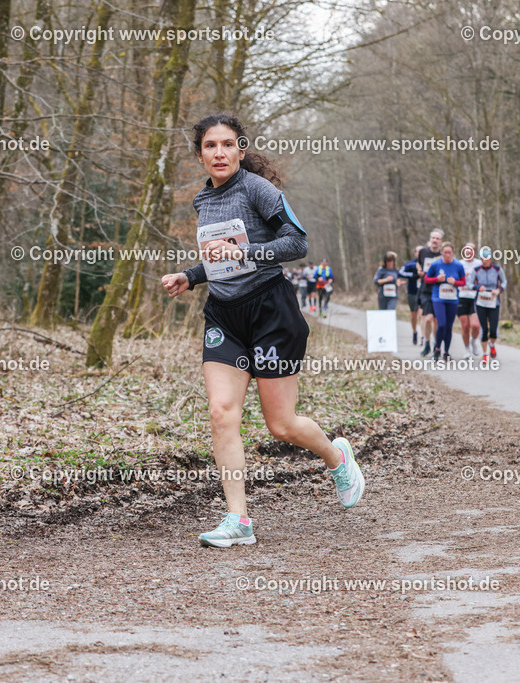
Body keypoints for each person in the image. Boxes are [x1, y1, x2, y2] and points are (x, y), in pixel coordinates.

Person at [161, 114, 364, 547]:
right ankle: (239, 520)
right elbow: (221, 258)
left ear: (240, 149)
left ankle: (336, 456)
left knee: (281, 425)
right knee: (221, 413)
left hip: (271, 311)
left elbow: (296, 242)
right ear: (200, 155)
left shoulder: (258, 189)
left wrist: (246, 250)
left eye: (227, 144)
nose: (219, 152)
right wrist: (192, 274)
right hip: (224, 314)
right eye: (210, 146)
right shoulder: (202, 201)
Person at [423, 242, 464, 362]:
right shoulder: (436, 264)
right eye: (445, 252)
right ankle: (437, 349)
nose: (447, 254)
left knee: (449, 326)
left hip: (452, 299)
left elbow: (463, 282)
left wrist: (455, 282)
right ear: (442, 253)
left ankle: (446, 352)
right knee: (441, 324)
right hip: (438, 298)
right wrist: (436, 279)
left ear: (453, 253)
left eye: (449, 252)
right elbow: (426, 279)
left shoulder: (458, 265)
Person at [470, 247, 506, 363]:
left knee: (494, 329)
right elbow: (469, 284)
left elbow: (504, 282)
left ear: (490, 258)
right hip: (480, 302)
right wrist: (477, 287)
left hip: (494, 302)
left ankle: (492, 344)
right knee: (484, 329)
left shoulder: (497, 269)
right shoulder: (476, 270)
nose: (484, 261)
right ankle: (485, 354)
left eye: (486, 258)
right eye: (482, 258)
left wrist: (498, 290)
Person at [416, 230, 445, 357]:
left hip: (438, 289)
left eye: (437, 238)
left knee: (436, 320)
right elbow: (418, 263)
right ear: (430, 239)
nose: (434, 240)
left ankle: (436, 345)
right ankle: (427, 343)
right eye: (433, 237)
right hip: (425, 289)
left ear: (441, 241)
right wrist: (419, 270)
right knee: (427, 319)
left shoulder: (443, 254)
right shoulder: (423, 251)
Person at [457, 242, 483, 359]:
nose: (469, 251)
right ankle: (467, 349)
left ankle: (473, 341)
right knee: (465, 326)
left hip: (475, 297)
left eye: (471, 249)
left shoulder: (479, 264)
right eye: (467, 249)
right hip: (461, 296)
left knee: (476, 325)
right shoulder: (458, 264)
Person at [399, 246, 424, 344]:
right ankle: (415, 332)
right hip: (412, 292)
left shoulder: (427, 264)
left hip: (424, 292)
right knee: (414, 314)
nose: (421, 253)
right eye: (418, 252)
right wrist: (412, 276)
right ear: (415, 253)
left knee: (423, 314)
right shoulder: (410, 264)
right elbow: (400, 273)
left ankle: (423, 336)